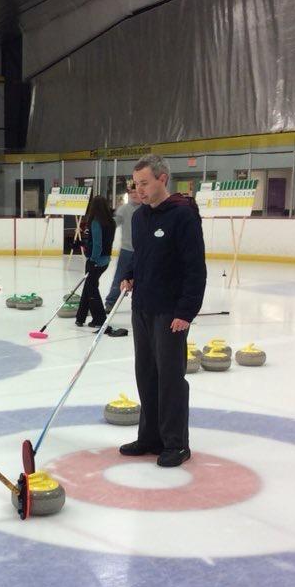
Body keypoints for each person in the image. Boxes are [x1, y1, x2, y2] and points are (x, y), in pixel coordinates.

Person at [120, 154, 206, 468]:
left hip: (171, 313)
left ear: (162, 179)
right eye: (136, 184)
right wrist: (130, 273)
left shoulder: (183, 216)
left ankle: (175, 443)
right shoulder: (141, 217)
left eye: (144, 183)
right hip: (142, 307)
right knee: (146, 374)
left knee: (170, 378)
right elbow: (140, 255)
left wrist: (186, 311)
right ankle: (150, 437)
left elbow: (195, 267)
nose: (139, 190)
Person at [74, 195, 115, 333]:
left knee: (91, 289)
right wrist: (82, 243)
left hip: (96, 261)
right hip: (105, 260)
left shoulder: (96, 222)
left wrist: (93, 260)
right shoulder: (110, 221)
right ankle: (80, 317)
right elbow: (101, 241)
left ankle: (100, 319)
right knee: (89, 286)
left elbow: (97, 244)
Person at [104, 182, 140, 312]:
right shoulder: (124, 209)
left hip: (143, 251)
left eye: (136, 192)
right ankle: (111, 302)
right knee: (120, 277)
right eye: (131, 193)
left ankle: (142, 303)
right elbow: (114, 224)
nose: (134, 195)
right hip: (127, 251)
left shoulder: (147, 208)